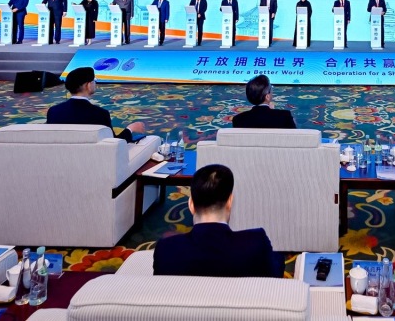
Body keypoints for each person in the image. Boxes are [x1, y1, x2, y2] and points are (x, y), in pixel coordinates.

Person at [152, 164, 282, 277]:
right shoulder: (256, 243)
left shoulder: (166, 249)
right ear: (230, 202)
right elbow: (274, 275)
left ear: (191, 204)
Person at [46, 66, 145, 142]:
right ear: (88, 85)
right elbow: (113, 143)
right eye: (94, 80)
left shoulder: (53, 111)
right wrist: (130, 129)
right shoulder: (100, 114)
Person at [232, 75, 296, 129]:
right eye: (271, 89)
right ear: (267, 96)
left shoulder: (238, 119)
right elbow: (294, 137)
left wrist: (272, 112)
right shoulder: (284, 116)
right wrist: (273, 112)